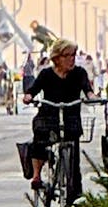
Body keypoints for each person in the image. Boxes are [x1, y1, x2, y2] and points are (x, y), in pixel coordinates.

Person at [21, 39, 93, 193]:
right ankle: (36, 175)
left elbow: (88, 90)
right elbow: (33, 89)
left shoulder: (79, 73)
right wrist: (28, 96)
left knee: (74, 161)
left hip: (71, 118)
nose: (72, 59)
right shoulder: (46, 74)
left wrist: (92, 97)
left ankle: (75, 196)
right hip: (48, 117)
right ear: (57, 58)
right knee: (39, 139)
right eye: (67, 55)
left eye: (73, 55)